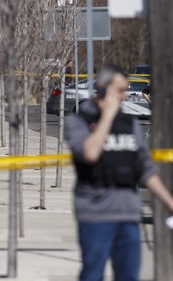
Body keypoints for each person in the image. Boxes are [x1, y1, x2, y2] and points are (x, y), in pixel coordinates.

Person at [64, 64, 173, 281]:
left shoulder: (130, 124)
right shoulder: (78, 120)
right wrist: (107, 117)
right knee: (92, 274)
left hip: (128, 213)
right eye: (121, 90)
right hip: (95, 213)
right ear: (103, 88)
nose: (125, 96)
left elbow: (145, 169)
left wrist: (169, 201)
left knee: (129, 275)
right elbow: (91, 153)